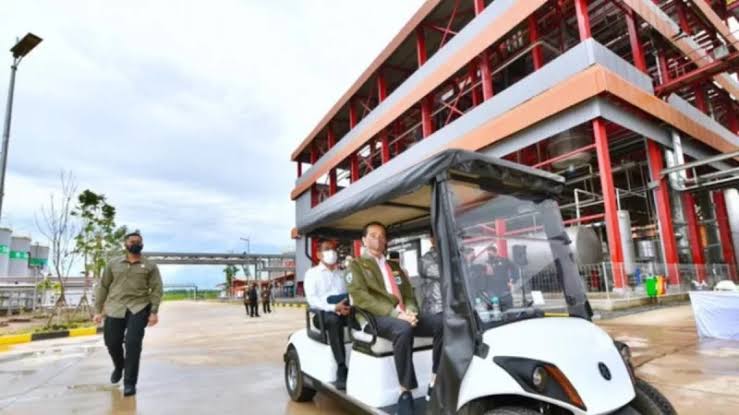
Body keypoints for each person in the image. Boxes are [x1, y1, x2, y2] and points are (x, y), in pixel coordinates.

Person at [347, 222, 442, 415]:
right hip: (376, 317)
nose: (378, 239)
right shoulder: (356, 266)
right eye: (373, 235)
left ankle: (435, 379)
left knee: (443, 324)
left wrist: (412, 312)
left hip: (402, 314)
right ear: (364, 240)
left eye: (382, 236)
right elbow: (361, 298)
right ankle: (405, 391)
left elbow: (408, 294)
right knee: (403, 328)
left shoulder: (394, 266)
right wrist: (397, 314)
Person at [94, 231, 163, 397]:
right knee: (112, 342)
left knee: (133, 344)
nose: (135, 243)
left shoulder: (150, 266)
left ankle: (130, 382)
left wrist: (153, 311)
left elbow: (156, 289)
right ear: (125, 244)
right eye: (132, 241)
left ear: (142, 244)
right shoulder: (113, 264)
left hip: (138, 307)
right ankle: (119, 366)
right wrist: (98, 310)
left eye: (139, 241)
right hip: (115, 307)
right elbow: (103, 286)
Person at [304, 240, 352, 390]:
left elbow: (348, 294)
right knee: (334, 320)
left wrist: (346, 305)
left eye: (333, 249)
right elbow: (312, 299)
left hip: (342, 310)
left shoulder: (342, 273)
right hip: (322, 314)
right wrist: (333, 307)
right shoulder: (312, 274)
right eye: (327, 249)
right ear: (318, 254)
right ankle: (341, 367)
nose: (332, 252)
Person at [419, 235, 442, 317]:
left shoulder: (452, 255)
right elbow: (444, 273)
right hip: (437, 309)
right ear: (432, 240)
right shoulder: (426, 260)